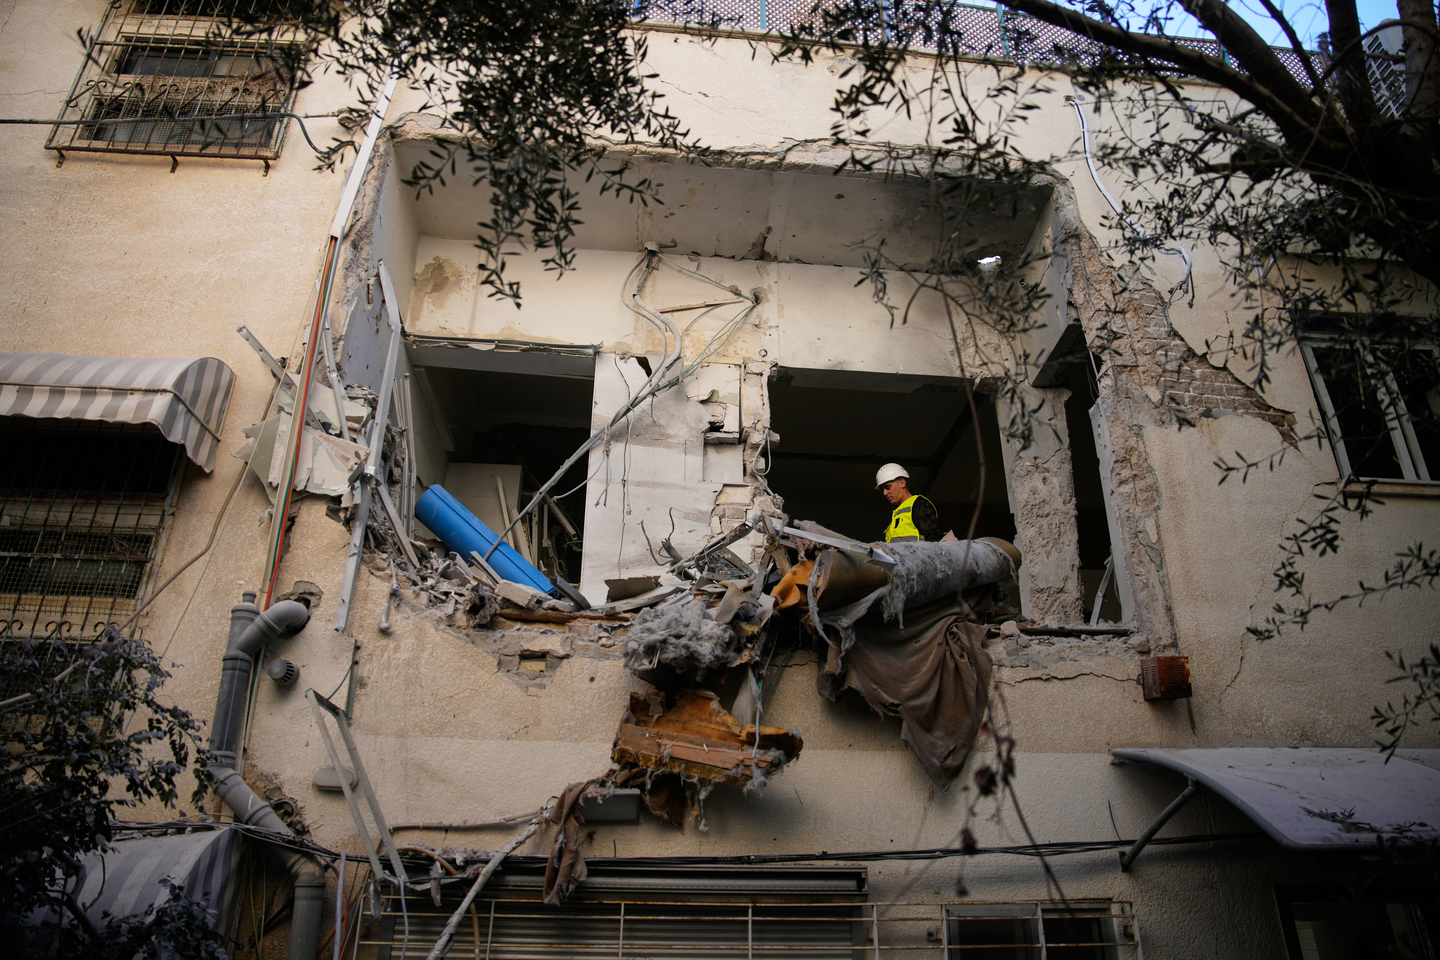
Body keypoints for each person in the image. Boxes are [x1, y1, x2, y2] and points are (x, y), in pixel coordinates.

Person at [875, 463, 943, 542]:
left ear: (902, 483)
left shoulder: (919, 505)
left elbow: (934, 542)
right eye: (882, 489)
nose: (885, 493)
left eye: (888, 487)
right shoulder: (897, 514)